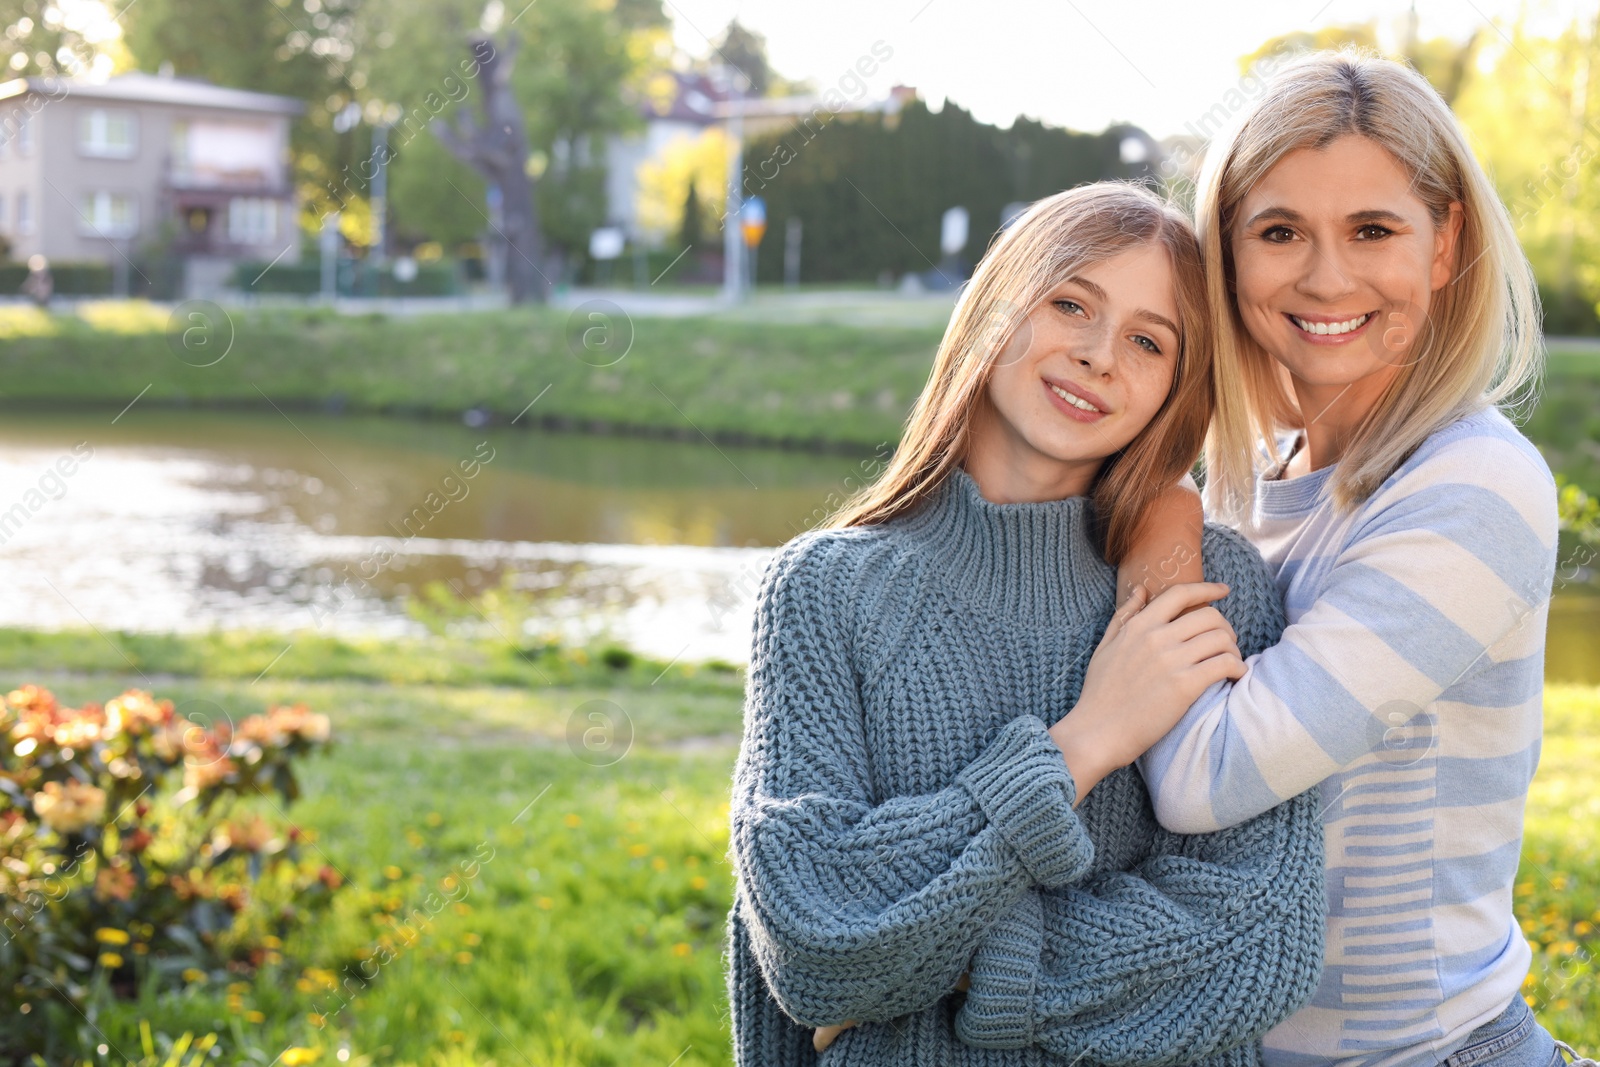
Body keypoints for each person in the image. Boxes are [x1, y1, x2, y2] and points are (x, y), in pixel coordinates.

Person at [724, 181, 1326, 1067]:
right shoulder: (825, 589)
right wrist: (1086, 740)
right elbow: (813, 940)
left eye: (1147, 340)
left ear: (1175, 386)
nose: (1097, 355)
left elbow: (1255, 940)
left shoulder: (1212, 587)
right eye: (1070, 302)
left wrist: (946, 971)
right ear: (995, 305)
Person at [1099, 50, 1588, 1067]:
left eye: (1373, 230)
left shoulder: (1472, 486)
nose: (1326, 277)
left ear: (1445, 242)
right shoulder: (1249, 480)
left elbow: (1203, 776)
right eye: (1279, 232)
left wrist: (1159, 529)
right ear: (1226, 252)